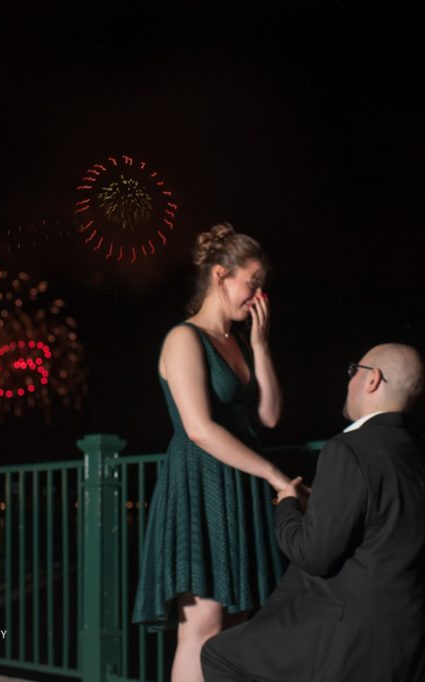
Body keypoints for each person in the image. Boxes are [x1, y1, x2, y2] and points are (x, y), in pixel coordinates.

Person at [201, 343, 425, 682]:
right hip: (411, 631)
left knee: (219, 655)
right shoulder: (424, 454)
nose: (349, 379)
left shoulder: (348, 450)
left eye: (354, 370)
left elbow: (313, 555)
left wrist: (287, 504)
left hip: (349, 633)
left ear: (373, 380)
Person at [131, 223, 294, 682]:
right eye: (252, 282)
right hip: (198, 486)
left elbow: (269, 416)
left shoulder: (238, 343)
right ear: (221, 275)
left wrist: (260, 346)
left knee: (239, 624)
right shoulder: (183, 338)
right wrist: (275, 476)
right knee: (201, 629)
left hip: (236, 485)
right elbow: (199, 429)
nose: (259, 295)